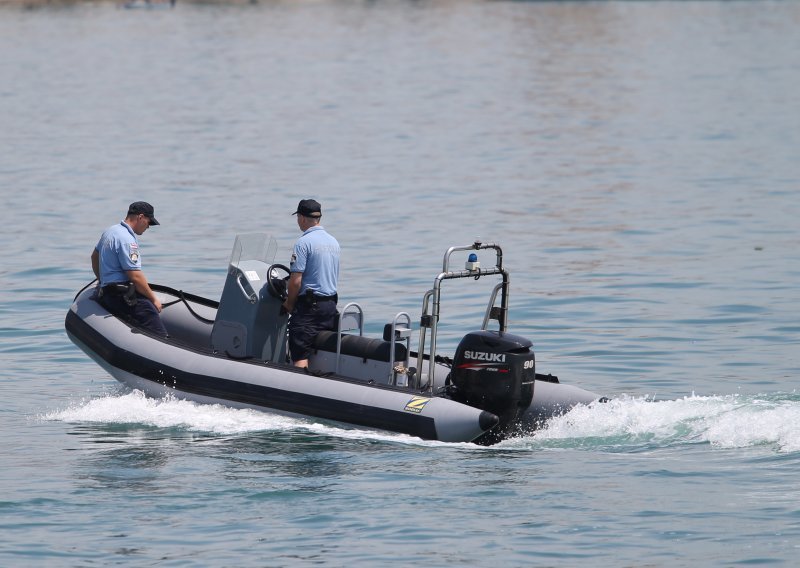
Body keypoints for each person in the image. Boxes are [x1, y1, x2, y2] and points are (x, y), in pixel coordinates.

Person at [91, 201, 168, 338]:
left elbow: (94, 257)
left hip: (108, 293)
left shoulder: (111, 231)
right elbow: (135, 276)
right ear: (140, 217)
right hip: (120, 296)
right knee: (152, 319)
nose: (148, 227)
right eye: (149, 222)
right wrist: (153, 299)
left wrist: (102, 281)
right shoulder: (127, 239)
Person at [282, 198, 340, 368]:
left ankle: (298, 389)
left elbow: (296, 281)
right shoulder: (333, 242)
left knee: (299, 352)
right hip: (330, 306)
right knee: (320, 351)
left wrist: (289, 304)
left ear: (302, 218)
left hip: (309, 310)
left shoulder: (303, 243)